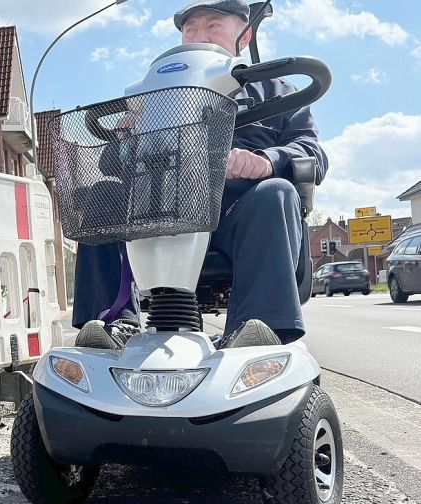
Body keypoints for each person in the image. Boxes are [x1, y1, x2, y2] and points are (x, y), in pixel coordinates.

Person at [72, 0, 328, 347]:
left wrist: (266, 160)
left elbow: (312, 153)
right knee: (104, 195)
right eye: (189, 29)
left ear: (245, 34)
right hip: (162, 208)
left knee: (277, 191)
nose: (197, 35)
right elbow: (109, 165)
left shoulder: (277, 90)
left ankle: (254, 330)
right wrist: (125, 136)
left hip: (235, 213)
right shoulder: (158, 96)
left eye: (213, 26)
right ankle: (113, 323)